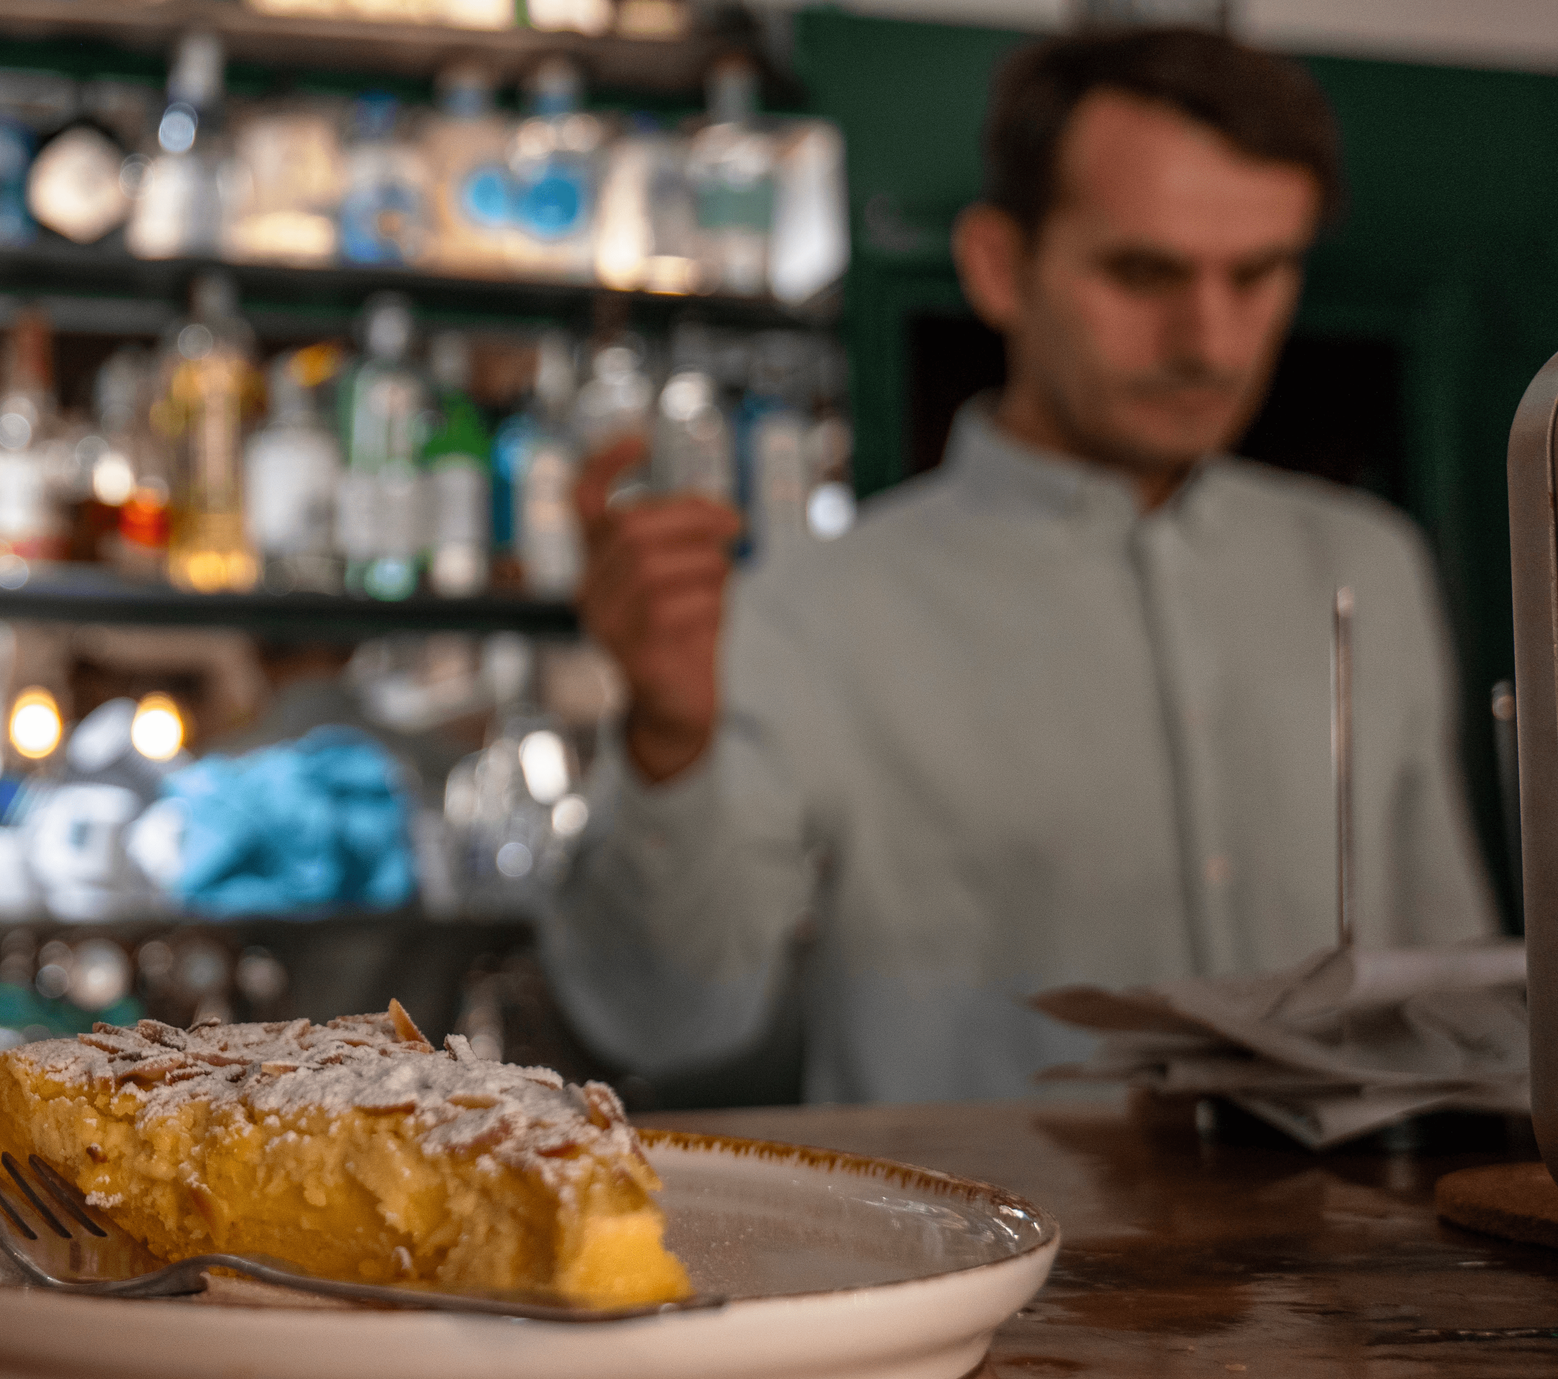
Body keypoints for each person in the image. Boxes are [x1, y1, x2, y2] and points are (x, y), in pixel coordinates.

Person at [545, 28, 1497, 1104]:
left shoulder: (1368, 561)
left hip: (1342, 1268)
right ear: (1000, 266)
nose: (1210, 339)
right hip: (992, 1267)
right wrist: (668, 748)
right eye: (1144, 272)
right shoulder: (815, 607)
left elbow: (1446, 987)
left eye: (1259, 273)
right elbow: (662, 1021)